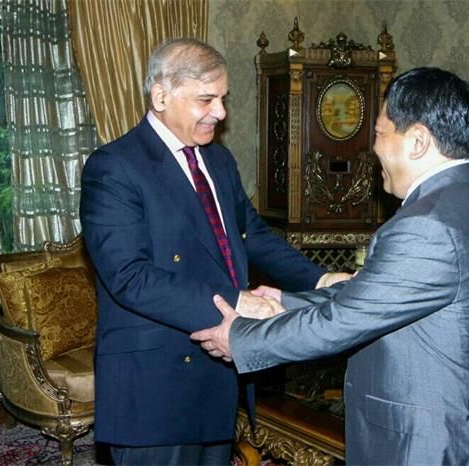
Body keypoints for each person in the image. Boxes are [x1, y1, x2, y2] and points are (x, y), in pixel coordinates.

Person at [192, 67, 469, 465]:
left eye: (380, 133)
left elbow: (345, 321)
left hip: (434, 444)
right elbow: (378, 298)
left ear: (418, 141)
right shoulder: (464, 200)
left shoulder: (429, 224)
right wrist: (285, 302)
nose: (373, 147)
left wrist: (242, 338)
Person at [79, 38, 348, 465]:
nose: (221, 113)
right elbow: (130, 277)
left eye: (223, 99)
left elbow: (252, 234)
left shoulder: (219, 161)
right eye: (206, 99)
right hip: (155, 383)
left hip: (219, 368)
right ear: (161, 97)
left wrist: (319, 278)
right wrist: (237, 301)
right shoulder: (115, 166)